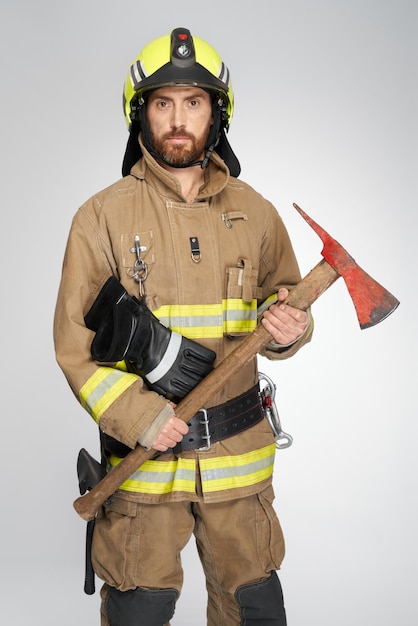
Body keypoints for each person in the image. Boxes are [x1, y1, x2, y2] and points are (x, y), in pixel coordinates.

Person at [53, 27, 313, 626]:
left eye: (194, 103)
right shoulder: (101, 217)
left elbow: (289, 310)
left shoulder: (258, 214)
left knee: (254, 609)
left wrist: (291, 326)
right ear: (139, 113)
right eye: (162, 103)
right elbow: (74, 349)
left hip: (240, 465)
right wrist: (142, 417)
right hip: (145, 469)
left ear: (216, 114)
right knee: (138, 611)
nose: (178, 119)